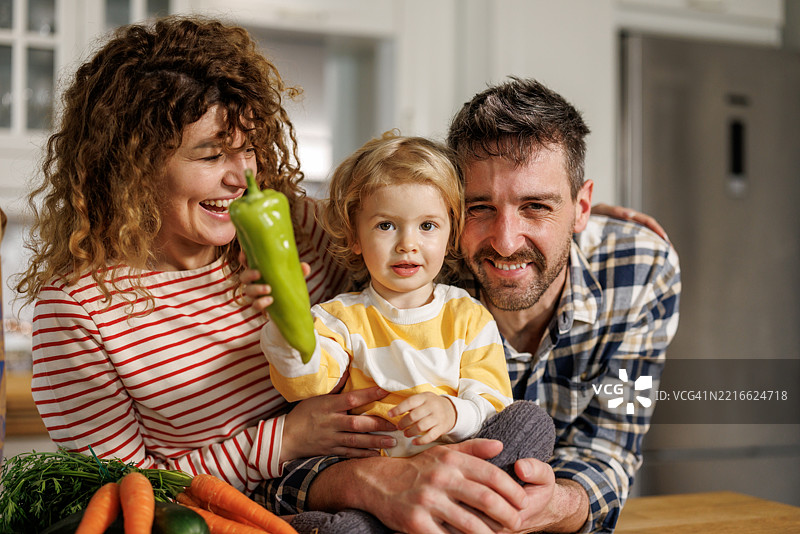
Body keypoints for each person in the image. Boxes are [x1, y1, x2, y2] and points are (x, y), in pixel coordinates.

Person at [258, 78, 681, 534]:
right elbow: (289, 464)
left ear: (581, 208)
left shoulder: (639, 268)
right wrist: (373, 480)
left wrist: (552, 505)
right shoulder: (408, 272)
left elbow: (610, 449)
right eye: (480, 208)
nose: (505, 241)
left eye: (536, 205)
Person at [15, 15, 399, 495]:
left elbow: (416, 293)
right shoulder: (79, 309)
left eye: (249, 149)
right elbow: (123, 492)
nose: (241, 177)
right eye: (212, 155)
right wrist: (286, 438)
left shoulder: (302, 229)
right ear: (133, 165)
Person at [260, 132, 556, 533]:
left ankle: (456, 519)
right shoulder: (338, 318)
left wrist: (452, 412)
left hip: (459, 474)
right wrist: (284, 320)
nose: (408, 245)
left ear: (451, 233)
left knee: (530, 421)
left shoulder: (467, 316)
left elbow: (491, 399)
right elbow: (305, 384)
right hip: (377, 485)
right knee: (349, 528)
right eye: (386, 225)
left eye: (428, 226)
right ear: (355, 236)